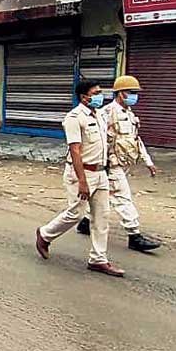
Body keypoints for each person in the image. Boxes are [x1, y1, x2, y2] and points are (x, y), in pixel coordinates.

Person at [35, 79, 125, 278]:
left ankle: (98, 259)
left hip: (100, 172)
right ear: (84, 97)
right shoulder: (74, 118)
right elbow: (75, 151)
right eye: (97, 92)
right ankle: (45, 234)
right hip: (81, 173)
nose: (101, 95)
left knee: (102, 216)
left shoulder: (100, 115)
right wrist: (82, 181)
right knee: (76, 213)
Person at [75, 75, 161, 252]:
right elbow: (97, 140)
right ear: (121, 94)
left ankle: (85, 223)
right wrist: (101, 165)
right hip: (111, 164)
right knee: (123, 197)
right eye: (131, 92)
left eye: (136, 93)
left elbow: (136, 140)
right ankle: (134, 234)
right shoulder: (107, 113)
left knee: (107, 196)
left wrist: (148, 161)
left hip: (124, 162)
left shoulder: (129, 114)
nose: (134, 96)